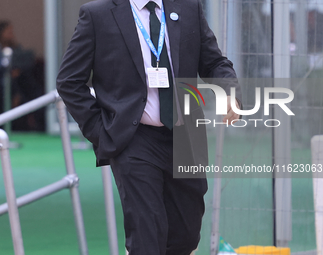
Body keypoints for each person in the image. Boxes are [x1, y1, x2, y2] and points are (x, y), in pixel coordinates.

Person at [56, 0, 242, 254]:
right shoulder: (98, 14)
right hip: (134, 139)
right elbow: (69, 81)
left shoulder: (188, 7)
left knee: (186, 235)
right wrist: (101, 131)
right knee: (147, 233)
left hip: (184, 137)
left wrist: (229, 91)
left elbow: (214, 62)